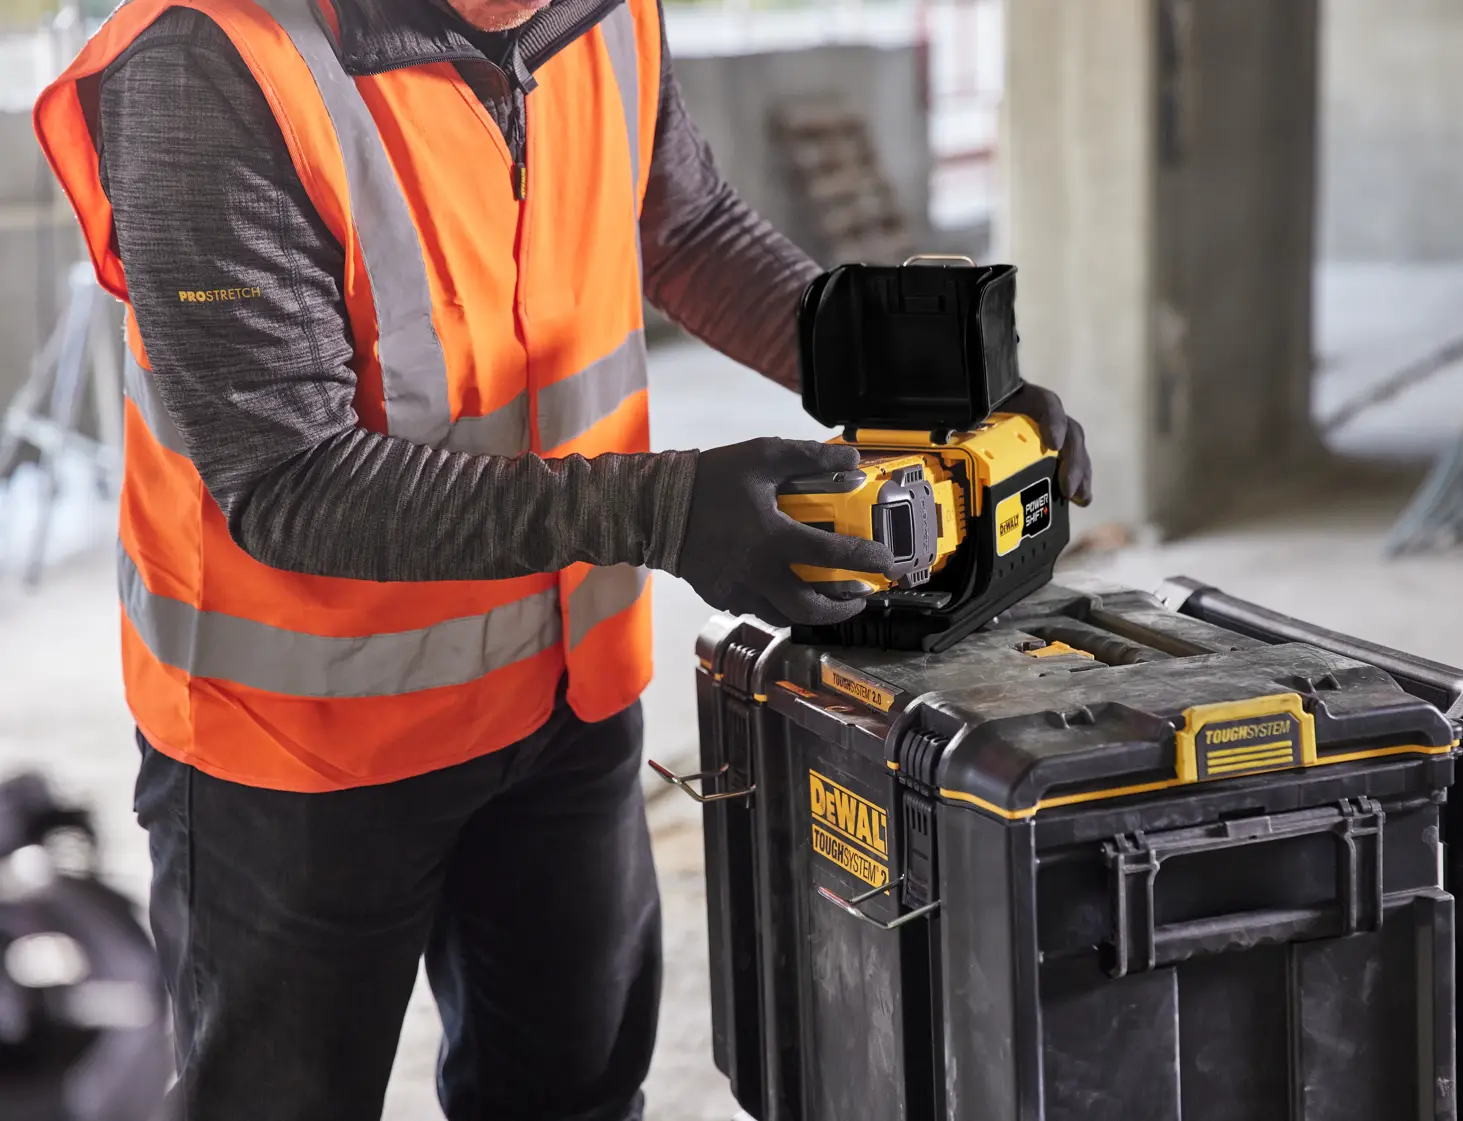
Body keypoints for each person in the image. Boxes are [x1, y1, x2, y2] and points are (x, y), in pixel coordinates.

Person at [34, 0, 1093, 1117]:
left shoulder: (605, 12)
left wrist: (920, 378)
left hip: (563, 701)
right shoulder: (211, 61)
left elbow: (682, 227)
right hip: (300, 749)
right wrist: (671, 511)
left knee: (573, 1095)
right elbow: (288, 479)